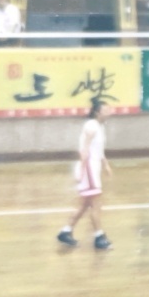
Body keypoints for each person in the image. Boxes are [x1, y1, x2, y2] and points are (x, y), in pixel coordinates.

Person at [57, 100, 114, 250]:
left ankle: (66, 231)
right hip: (88, 169)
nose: (109, 112)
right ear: (97, 112)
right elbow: (85, 150)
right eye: (106, 109)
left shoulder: (99, 127)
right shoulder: (91, 126)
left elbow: (99, 150)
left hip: (93, 169)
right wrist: (82, 171)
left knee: (85, 205)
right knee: (95, 204)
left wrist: (105, 165)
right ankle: (99, 237)